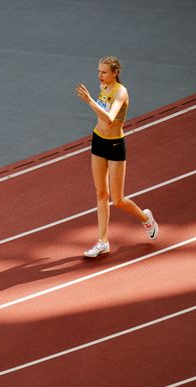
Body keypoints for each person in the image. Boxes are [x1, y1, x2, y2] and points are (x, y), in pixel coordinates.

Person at [75, 56, 158, 258]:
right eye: (98, 72)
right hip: (98, 141)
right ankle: (103, 241)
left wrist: (89, 102)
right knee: (101, 194)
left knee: (118, 199)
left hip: (115, 145)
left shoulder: (121, 92)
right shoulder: (103, 88)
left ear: (115, 73)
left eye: (104, 72)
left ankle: (145, 218)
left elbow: (111, 119)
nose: (100, 76)